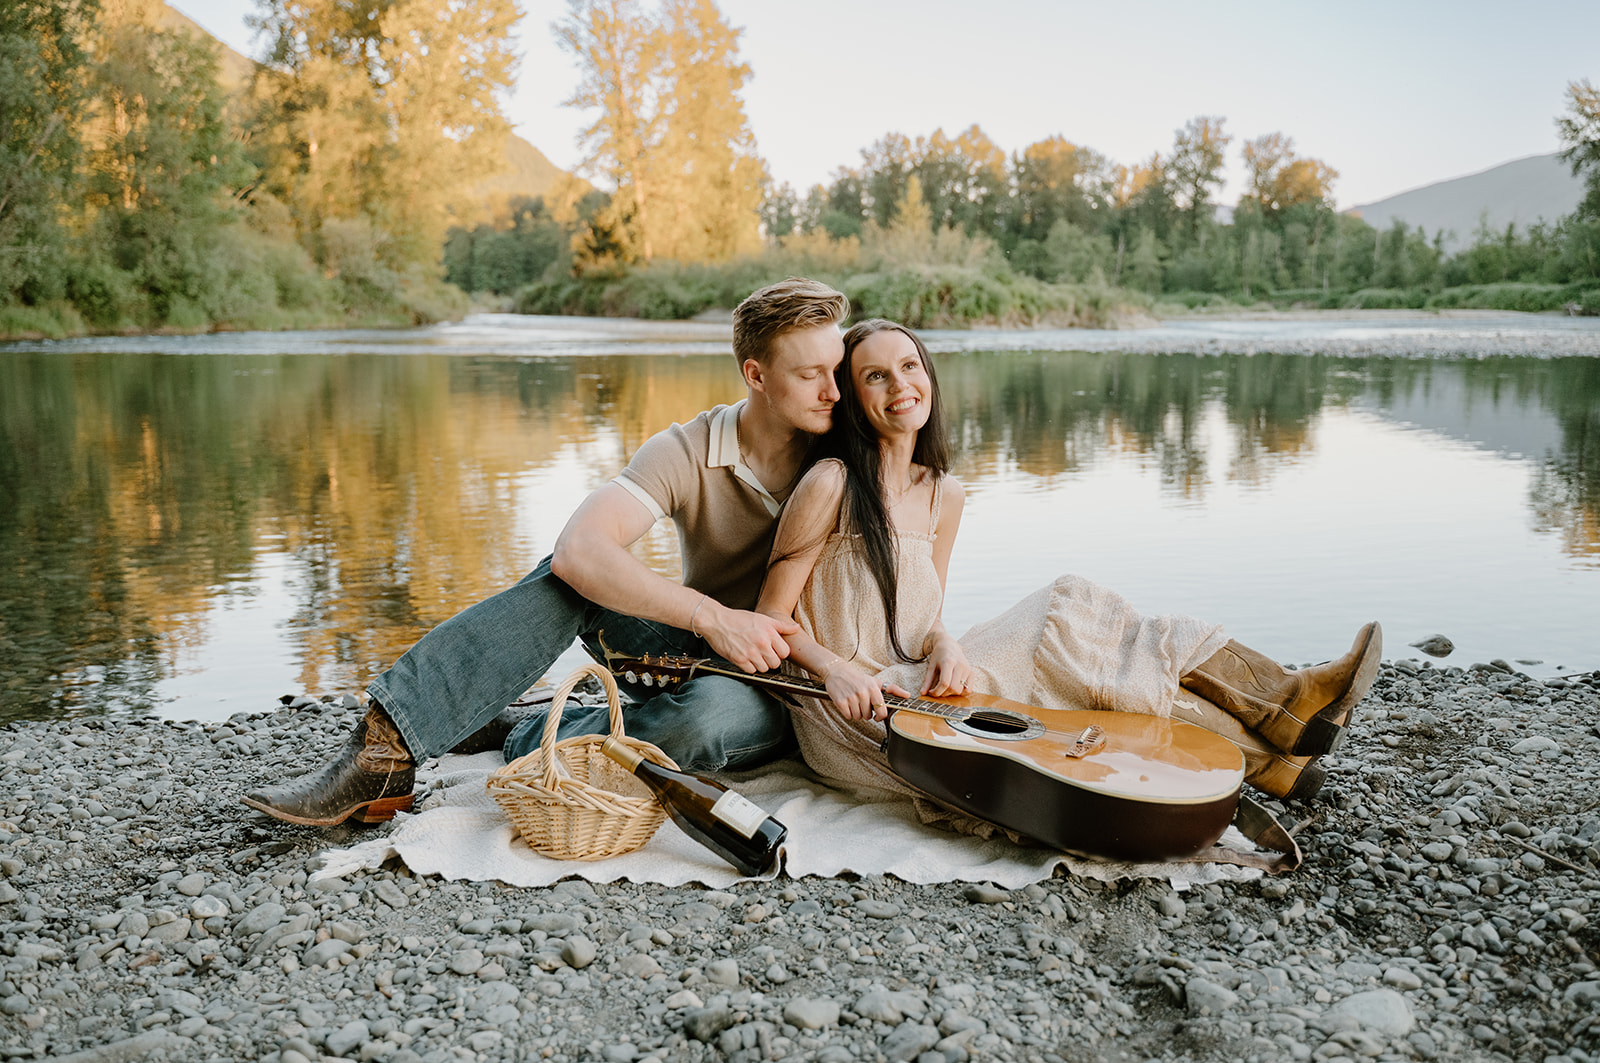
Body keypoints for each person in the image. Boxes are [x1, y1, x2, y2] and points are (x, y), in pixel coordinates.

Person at [241, 278, 851, 826]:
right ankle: (383, 752)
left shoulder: (856, 447)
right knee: (571, 577)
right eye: (810, 375)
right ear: (755, 375)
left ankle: (525, 731)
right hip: (696, 649)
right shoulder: (688, 449)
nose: (833, 391)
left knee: (708, 720)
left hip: (795, 682)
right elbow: (580, 549)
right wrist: (713, 618)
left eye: (837, 368)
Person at [754, 318, 1381, 833]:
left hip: (925, 685)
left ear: (930, 378)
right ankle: (1285, 709)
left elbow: (928, 612)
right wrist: (833, 669)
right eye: (876, 375)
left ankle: (1270, 761)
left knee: (1088, 663)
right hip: (851, 711)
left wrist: (945, 641)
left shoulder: (945, 493)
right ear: (855, 399)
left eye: (911, 366)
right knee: (1068, 605)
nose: (900, 384)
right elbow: (769, 620)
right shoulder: (830, 484)